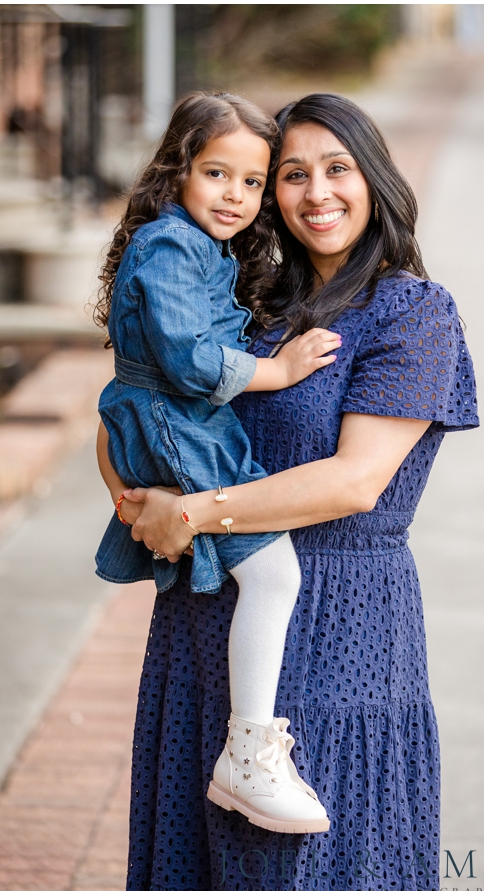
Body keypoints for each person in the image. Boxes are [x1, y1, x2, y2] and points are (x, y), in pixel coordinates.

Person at [102, 94, 478, 891]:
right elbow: (143, 399)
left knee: (303, 870)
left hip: (341, 625)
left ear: (374, 179)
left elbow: (355, 481)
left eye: (337, 170)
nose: (317, 193)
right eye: (293, 175)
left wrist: (193, 513)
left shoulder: (412, 313)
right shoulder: (251, 301)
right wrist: (134, 491)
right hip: (202, 627)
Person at [94, 91, 341, 834]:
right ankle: (248, 753)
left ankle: (248, 748)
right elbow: (188, 358)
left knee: (254, 569)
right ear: (178, 172)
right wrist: (283, 372)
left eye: (252, 182)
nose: (234, 195)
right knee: (274, 572)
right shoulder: (171, 245)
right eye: (216, 174)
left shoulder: (202, 246)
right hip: (179, 421)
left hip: (180, 422)